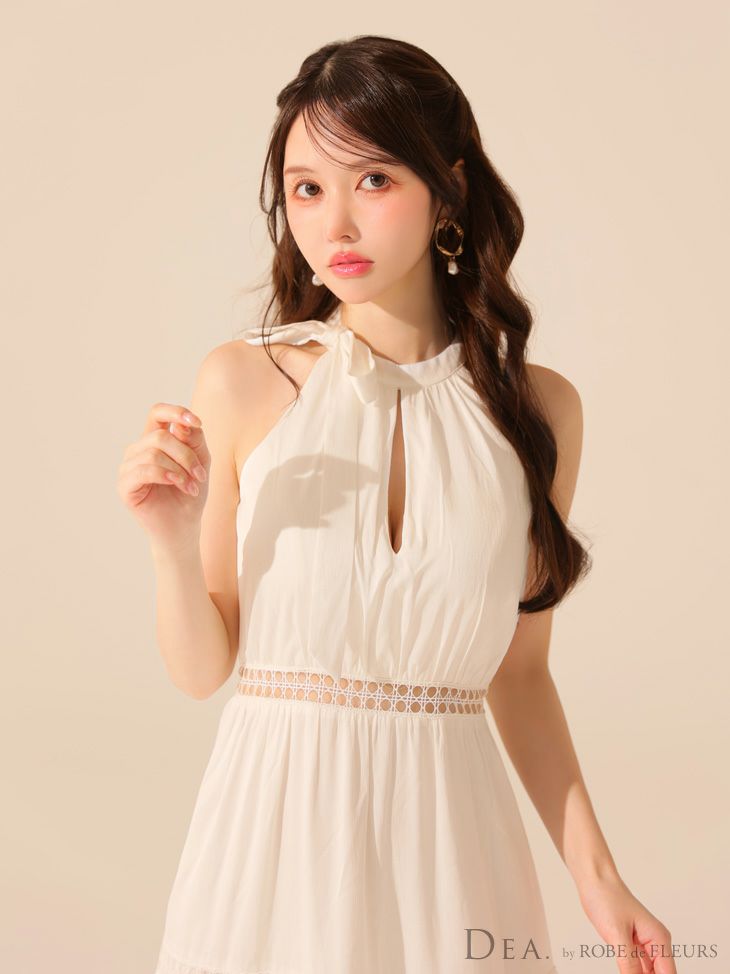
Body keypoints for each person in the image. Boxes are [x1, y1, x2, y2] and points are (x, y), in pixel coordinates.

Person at [118, 34, 677, 974]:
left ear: (446, 190)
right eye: (306, 188)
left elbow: (521, 676)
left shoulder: (540, 413)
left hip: (453, 846)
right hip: (271, 845)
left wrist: (599, 880)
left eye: (373, 180)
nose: (335, 223)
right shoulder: (245, 382)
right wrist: (170, 544)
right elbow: (202, 670)